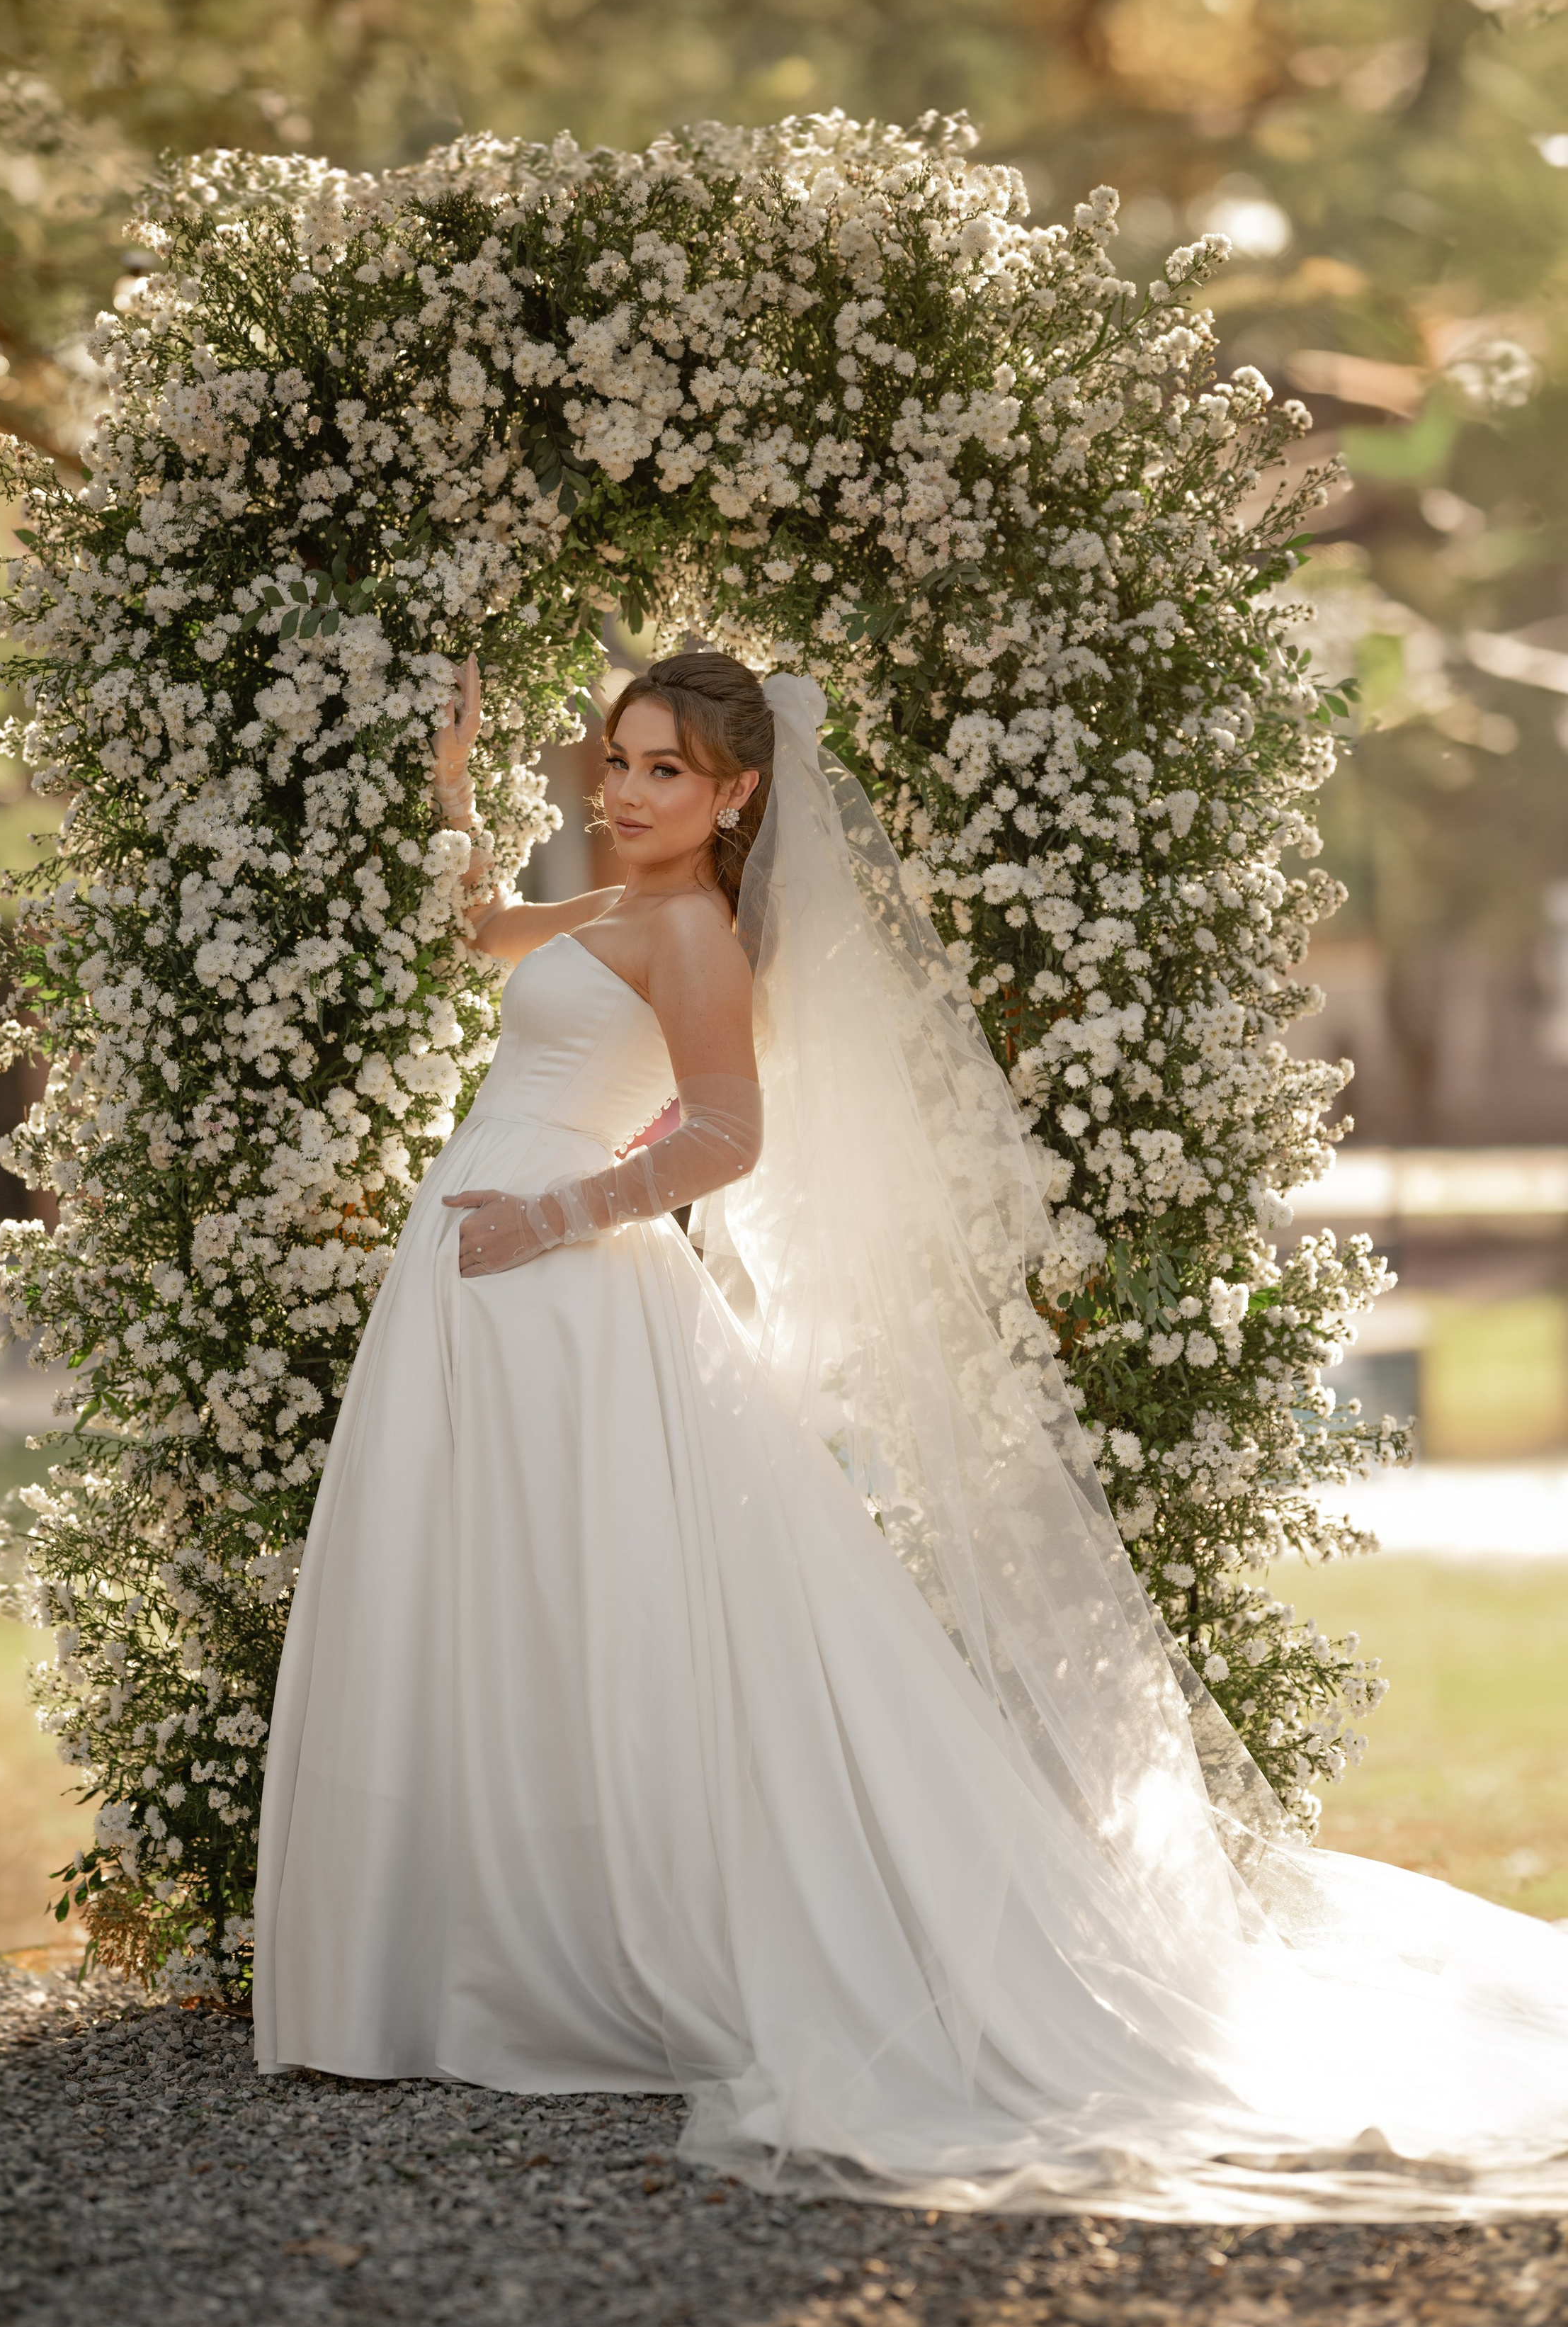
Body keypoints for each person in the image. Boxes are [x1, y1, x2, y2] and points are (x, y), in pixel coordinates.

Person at [256, 650, 1567, 2216]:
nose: (622, 791)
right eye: (615, 760)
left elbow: (726, 1135)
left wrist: (554, 1211)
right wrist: (458, 786)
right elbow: (480, 937)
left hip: (555, 1277)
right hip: (481, 1279)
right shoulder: (604, 906)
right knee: (494, 1595)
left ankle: (577, 1954)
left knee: (595, 1598)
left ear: (736, 793)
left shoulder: (687, 932)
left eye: (664, 769)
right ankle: (464, 1950)